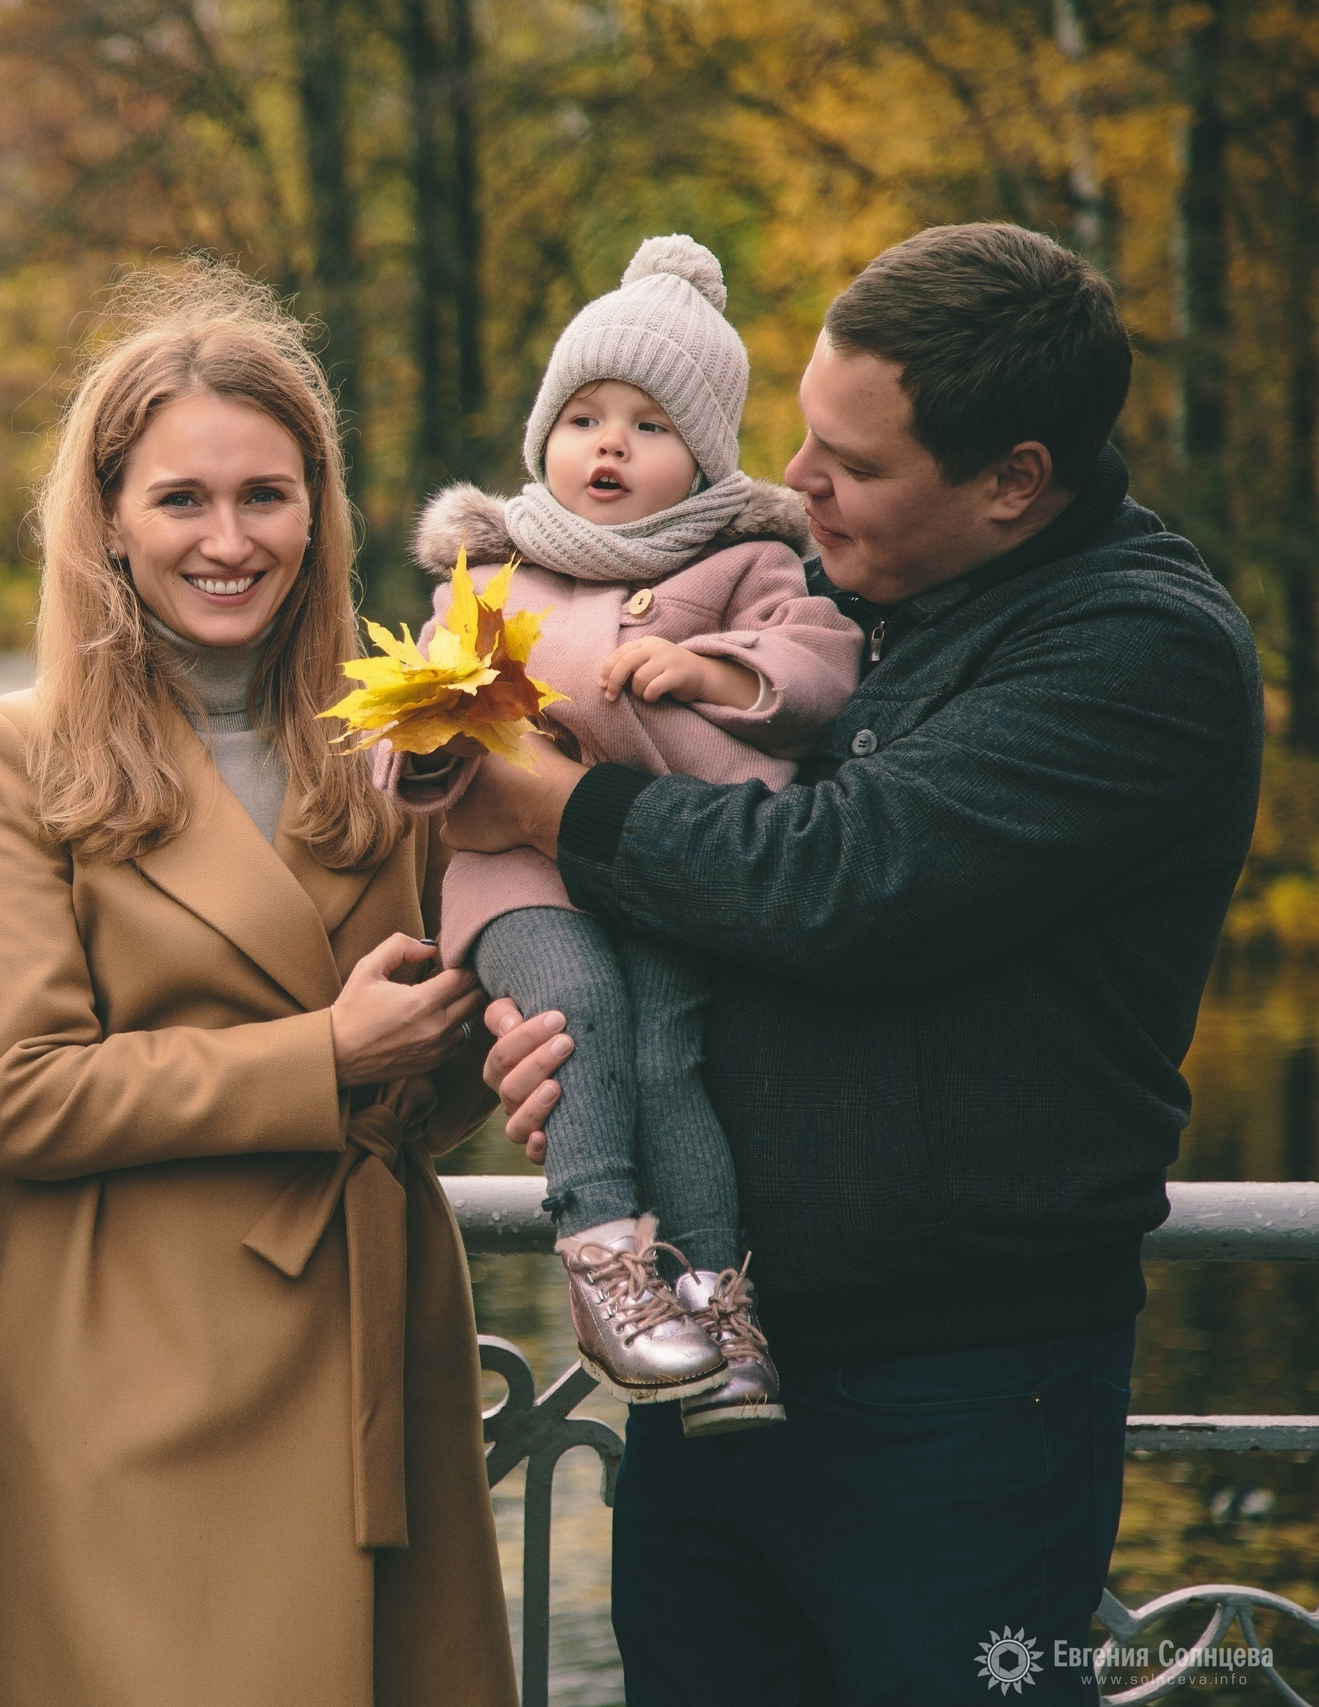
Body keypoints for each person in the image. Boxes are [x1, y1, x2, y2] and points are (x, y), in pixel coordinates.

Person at [460, 223, 1262, 1704]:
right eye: (802, 440)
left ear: (1014, 478)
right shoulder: (843, 589)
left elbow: (844, 879)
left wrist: (554, 805)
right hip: (719, 1364)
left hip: (959, 1394)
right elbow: (694, 895)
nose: (799, 484)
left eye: (856, 463)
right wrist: (568, 1038)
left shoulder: (1135, 650)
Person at [0, 264, 518, 1707]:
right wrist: (323, 1052)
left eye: (266, 494)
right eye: (181, 498)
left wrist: (483, 1035)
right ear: (111, 522)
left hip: (372, 1321)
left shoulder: (401, 730)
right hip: (131, 1348)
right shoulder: (16, 754)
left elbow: (437, 1080)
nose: (228, 536)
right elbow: (21, 1094)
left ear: (319, 509)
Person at [385, 235, 861, 1433]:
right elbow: (414, 724)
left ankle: (710, 1299)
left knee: (667, 1059)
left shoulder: (748, 561)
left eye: (648, 426)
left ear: (702, 457)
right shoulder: (488, 575)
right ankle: (602, 1259)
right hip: (520, 882)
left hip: (666, 870)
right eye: (583, 415)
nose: (608, 444)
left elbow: (816, 671)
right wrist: (438, 749)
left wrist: (709, 666)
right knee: (578, 1015)